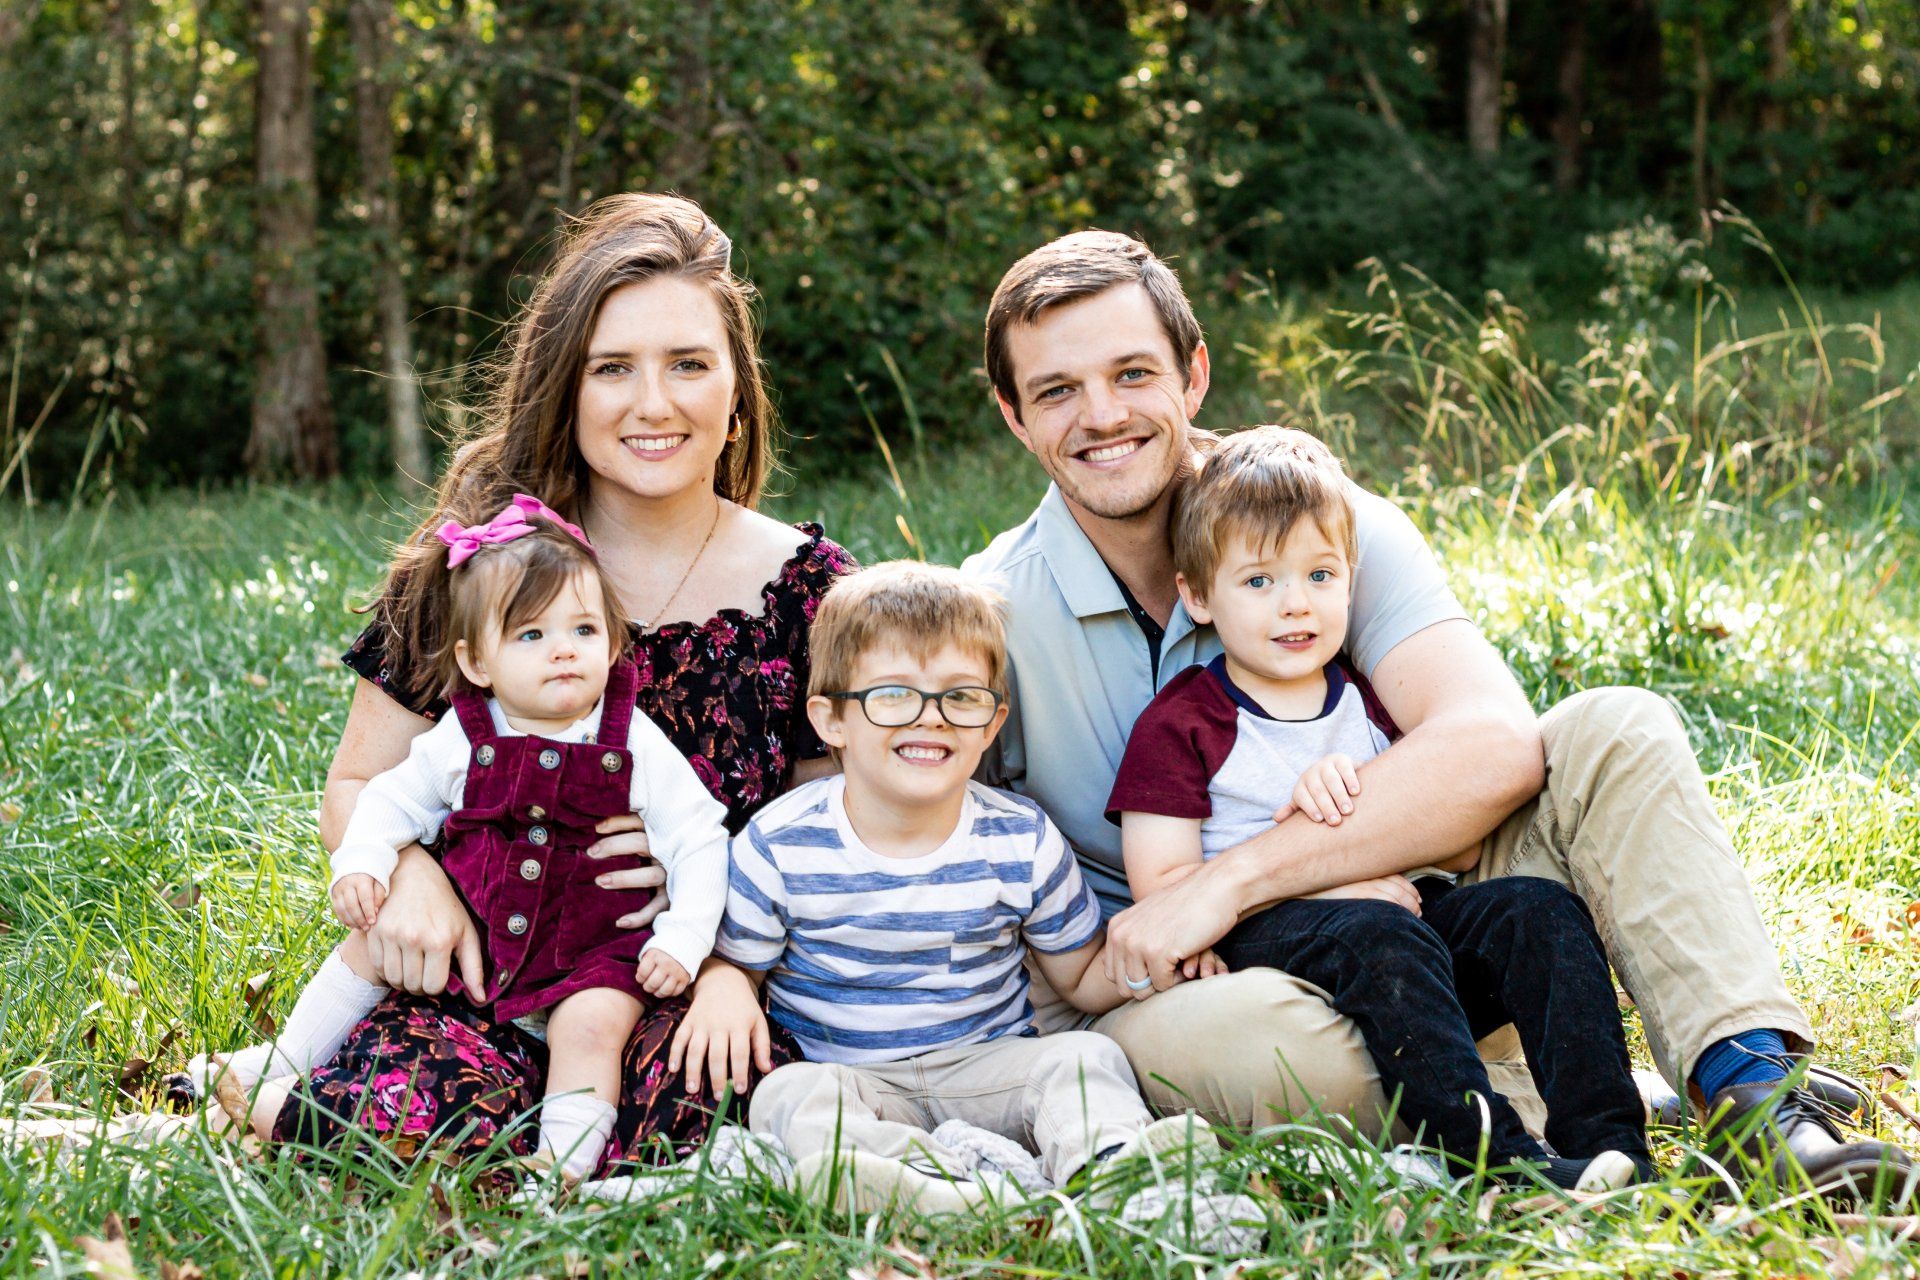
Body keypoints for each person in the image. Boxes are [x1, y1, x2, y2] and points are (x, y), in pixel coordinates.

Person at [962, 228, 1913, 1200]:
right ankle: (1552, 1095)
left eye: (1132, 372)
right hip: (1212, 988)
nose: (1104, 414)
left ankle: (1756, 1101)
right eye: (1057, 389)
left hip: (1430, 912)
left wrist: (1236, 874)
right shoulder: (986, 611)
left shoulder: (1324, 519)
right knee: (1276, 1053)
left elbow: (1490, 743)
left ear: (1193, 372)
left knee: (1615, 728)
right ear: (1011, 412)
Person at [244, 193, 854, 1171]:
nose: (652, 402)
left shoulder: (814, 596)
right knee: (396, 1113)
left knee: (721, 1117)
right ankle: (272, 1095)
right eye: (613, 367)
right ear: (566, 385)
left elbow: (835, 835)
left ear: (738, 390)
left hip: (680, 985)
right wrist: (410, 879)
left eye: (688, 364)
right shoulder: (478, 569)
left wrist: (725, 932)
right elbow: (361, 782)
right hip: (481, 966)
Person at [1109, 426, 1649, 1190]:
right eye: (1259, 582)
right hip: (1280, 942)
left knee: (1538, 911)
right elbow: (1165, 890)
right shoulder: (1184, 723)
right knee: (1378, 932)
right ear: (1197, 596)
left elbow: (1452, 843)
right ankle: (1493, 1165)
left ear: (1351, 579)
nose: (1295, 605)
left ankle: (1610, 1146)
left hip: (1402, 924)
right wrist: (1326, 882)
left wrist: (1364, 792)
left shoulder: (1363, 704)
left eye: (1320, 575)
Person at [693, 562, 1257, 1242]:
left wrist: (1155, 956)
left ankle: (1116, 1173)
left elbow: (1078, 977)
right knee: (787, 1096)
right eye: (895, 695)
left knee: (1082, 1062)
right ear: (832, 719)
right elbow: (738, 964)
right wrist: (724, 986)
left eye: (961, 698)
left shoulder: (1019, 837)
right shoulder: (780, 845)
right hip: (854, 1080)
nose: (930, 718)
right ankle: (918, 1185)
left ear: (992, 724)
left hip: (989, 1067)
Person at [185, 498, 733, 1181]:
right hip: (473, 942)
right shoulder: (466, 735)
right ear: (478, 663)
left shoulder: (629, 738)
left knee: (590, 1031)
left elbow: (699, 838)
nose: (563, 648)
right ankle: (285, 1062)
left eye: (585, 628)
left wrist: (682, 939)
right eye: (531, 635)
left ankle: (559, 1167)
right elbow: (389, 799)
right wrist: (362, 864)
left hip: (593, 954)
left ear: (614, 643)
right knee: (364, 948)